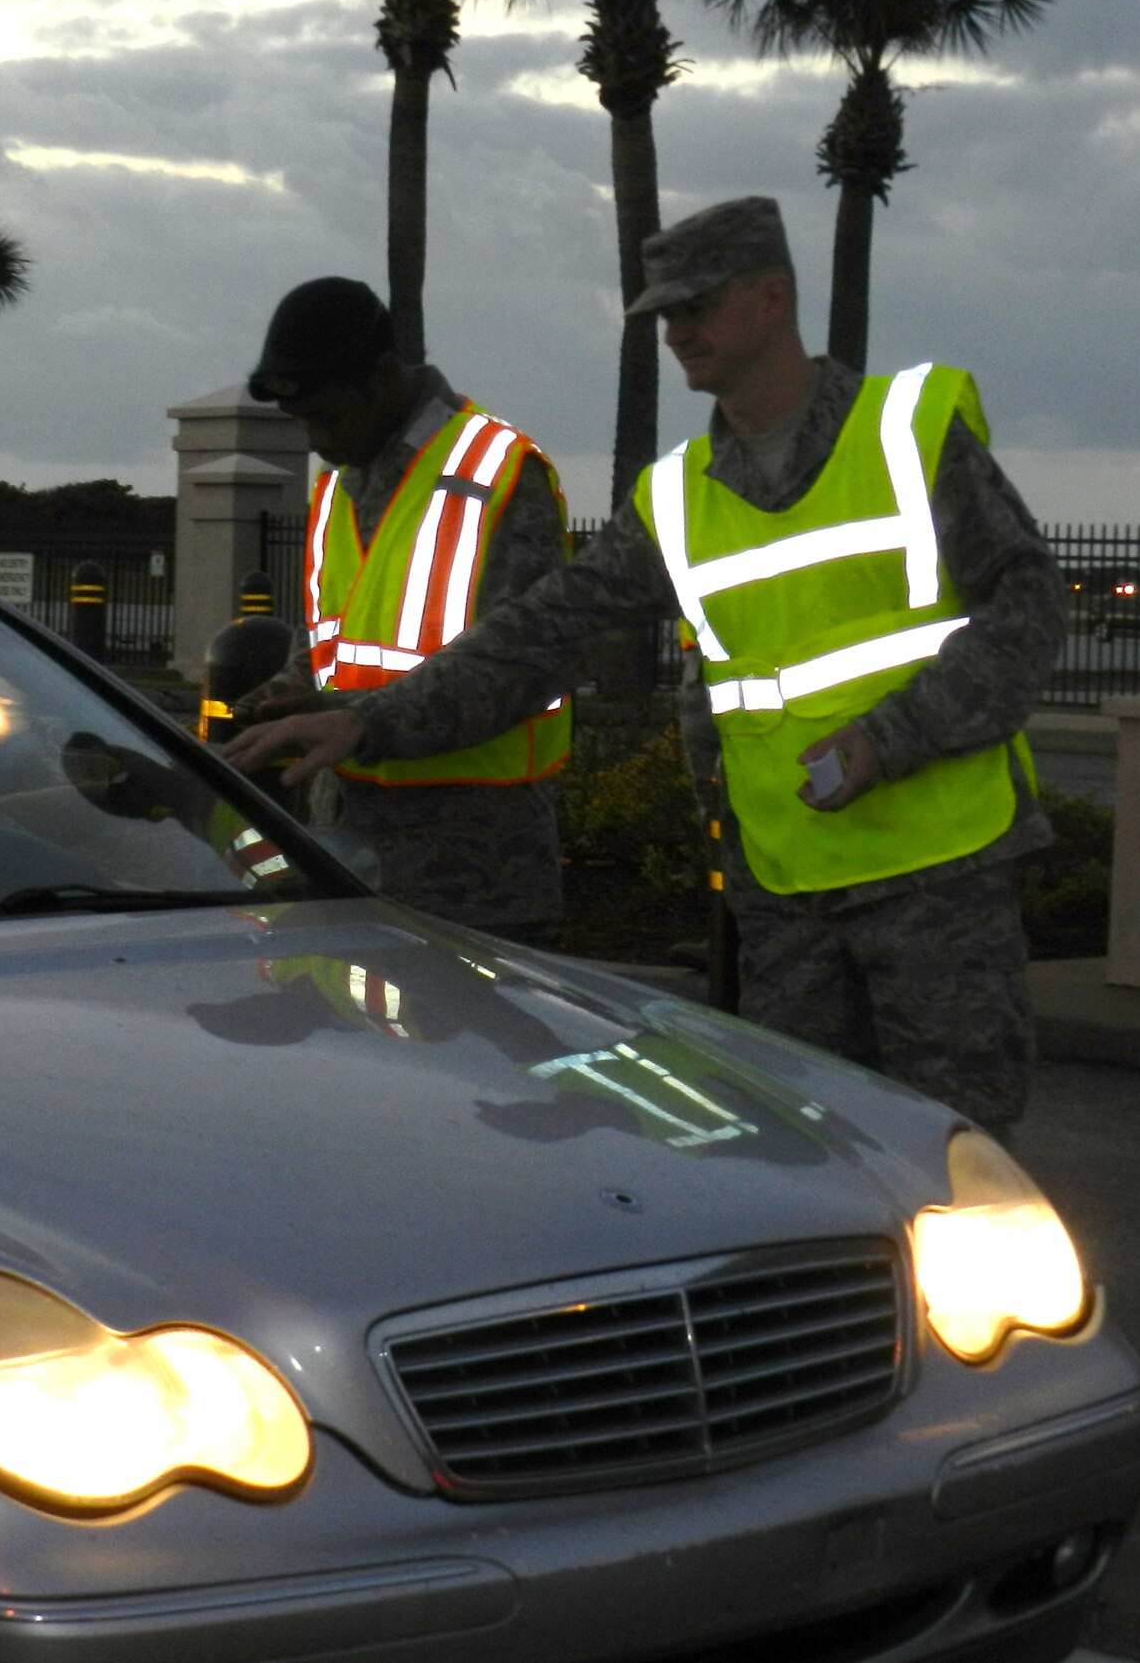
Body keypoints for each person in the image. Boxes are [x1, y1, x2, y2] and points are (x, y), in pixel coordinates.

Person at [228, 199, 1067, 1134]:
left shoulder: (905, 434)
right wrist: (366, 717)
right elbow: (542, 628)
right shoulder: (678, 494)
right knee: (814, 1161)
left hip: (937, 882)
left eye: (697, 308)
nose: (678, 334)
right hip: (786, 899)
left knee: (964, 1157)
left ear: (771, 298)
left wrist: (892, 737)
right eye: (665, 316)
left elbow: (1030, 611)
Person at [237, 276, 574, 942]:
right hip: (350, 865)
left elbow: (524, 666)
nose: (314, 441)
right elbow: (331, 647)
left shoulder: (496, 472)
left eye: (328, 417)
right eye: (302, 422)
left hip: (478, 882)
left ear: (387, 376)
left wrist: (362, 723)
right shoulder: (338, 485)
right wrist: (289, 693)